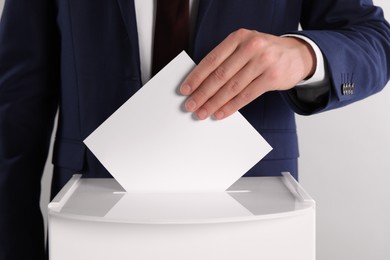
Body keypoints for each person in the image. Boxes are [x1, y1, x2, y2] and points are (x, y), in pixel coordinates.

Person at [0, 0, 389, 259]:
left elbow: (374, 39)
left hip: (255, 220)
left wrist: (304, 55)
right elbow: (15, 105)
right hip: (90, 222)